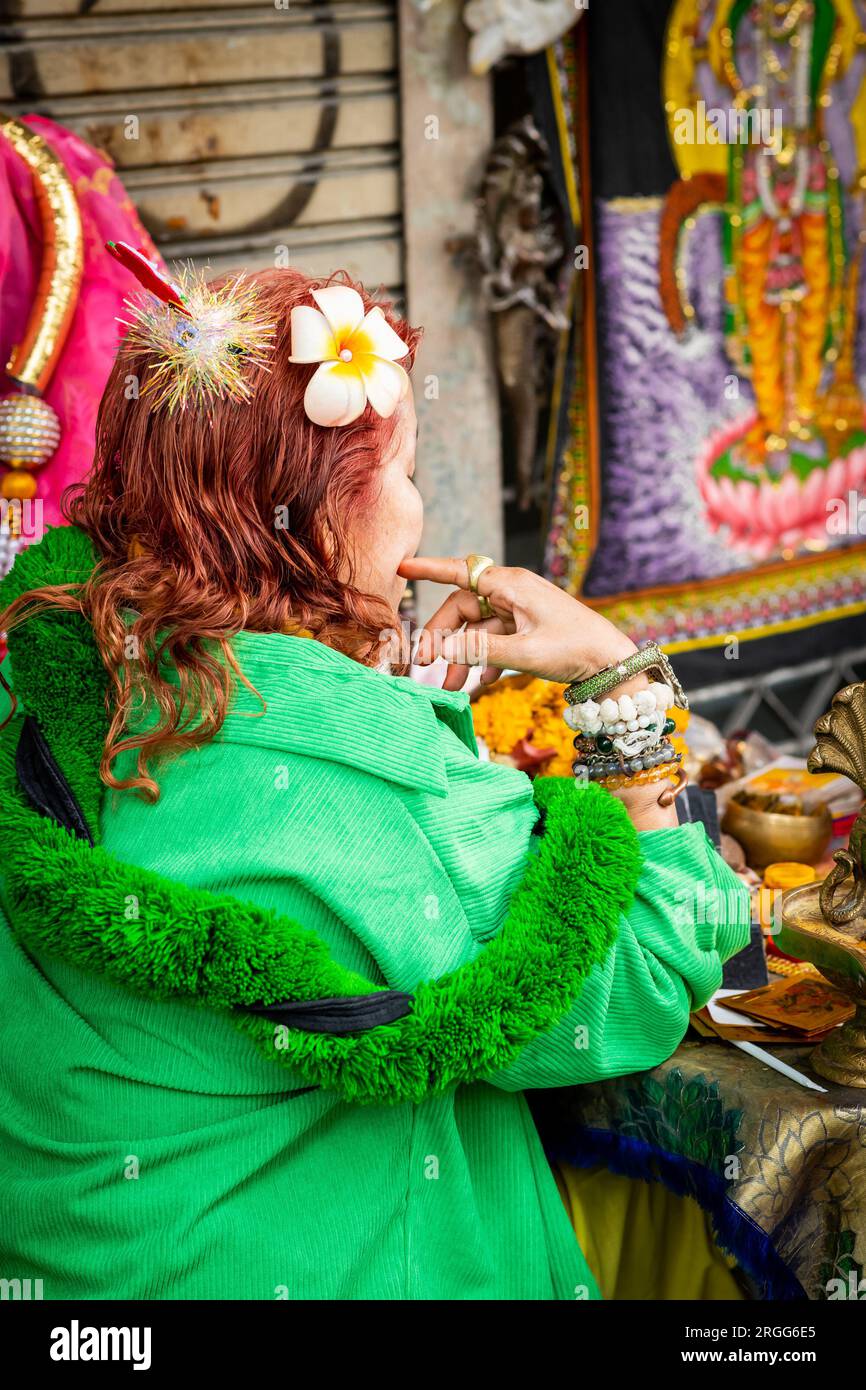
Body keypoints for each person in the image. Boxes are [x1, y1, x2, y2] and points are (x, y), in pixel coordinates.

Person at [0, 260, 750, 1300]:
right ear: (305, 522)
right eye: (399, 471)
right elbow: (642, 979)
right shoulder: (364, 778)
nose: (418, 507)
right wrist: (614, 692)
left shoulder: (51, 675)